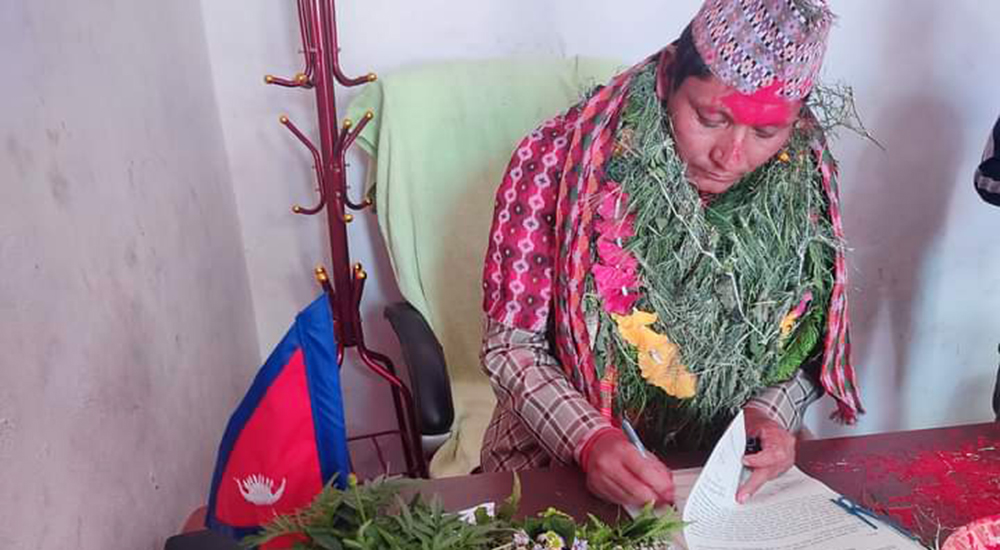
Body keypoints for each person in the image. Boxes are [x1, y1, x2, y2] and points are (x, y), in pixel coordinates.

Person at [479, 0, 864, 510]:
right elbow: (512, 347)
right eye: (710, 118)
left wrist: (770, 413)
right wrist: (589, 440)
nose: (730, 156)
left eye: (765, 133)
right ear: (667, 77)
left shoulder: (804, 182)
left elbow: (810, 340)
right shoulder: (557, 161)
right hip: (558, 458)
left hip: (724, 471)